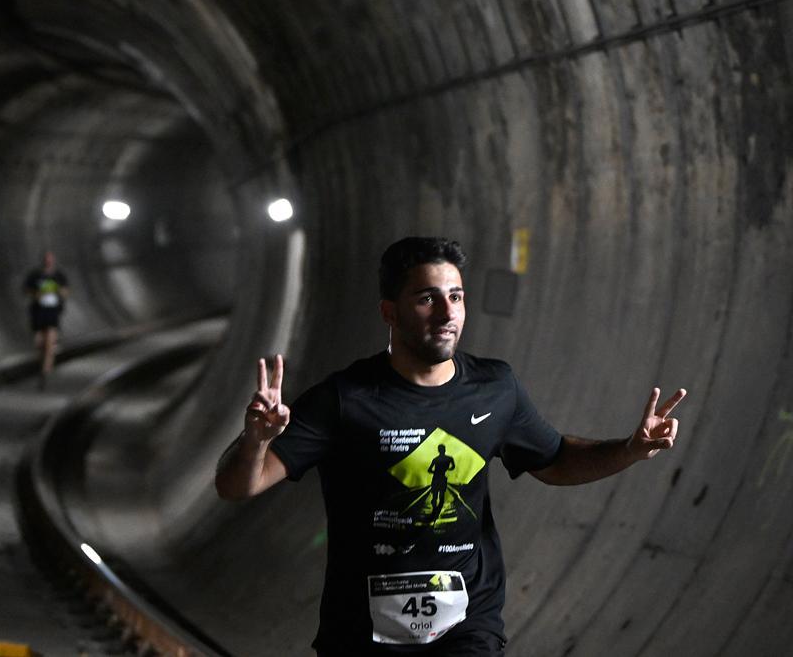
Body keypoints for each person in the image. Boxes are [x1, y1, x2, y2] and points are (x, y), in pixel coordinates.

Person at [214, 237, 685, 656]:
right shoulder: (345, 398)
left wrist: (629, 448)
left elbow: (555, 459)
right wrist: (256, 440)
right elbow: (239, 485)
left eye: (456, 297)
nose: (447, 313)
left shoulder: (495, 388)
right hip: (360, 631)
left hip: (467, 624)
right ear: (389, 312)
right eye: (427, 298)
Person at [23, 251, 68, 388]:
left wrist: (57, 290)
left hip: (52, 312)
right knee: (39, 342)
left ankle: (45, 371)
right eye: (46, 259)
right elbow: (26, 290)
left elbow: (66, 292)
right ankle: (42, 364)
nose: (48, 261)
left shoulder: (58, 276)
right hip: (38, 312)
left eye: (50, 259)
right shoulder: (35, 275)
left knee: (49, 342)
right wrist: (38, 293)